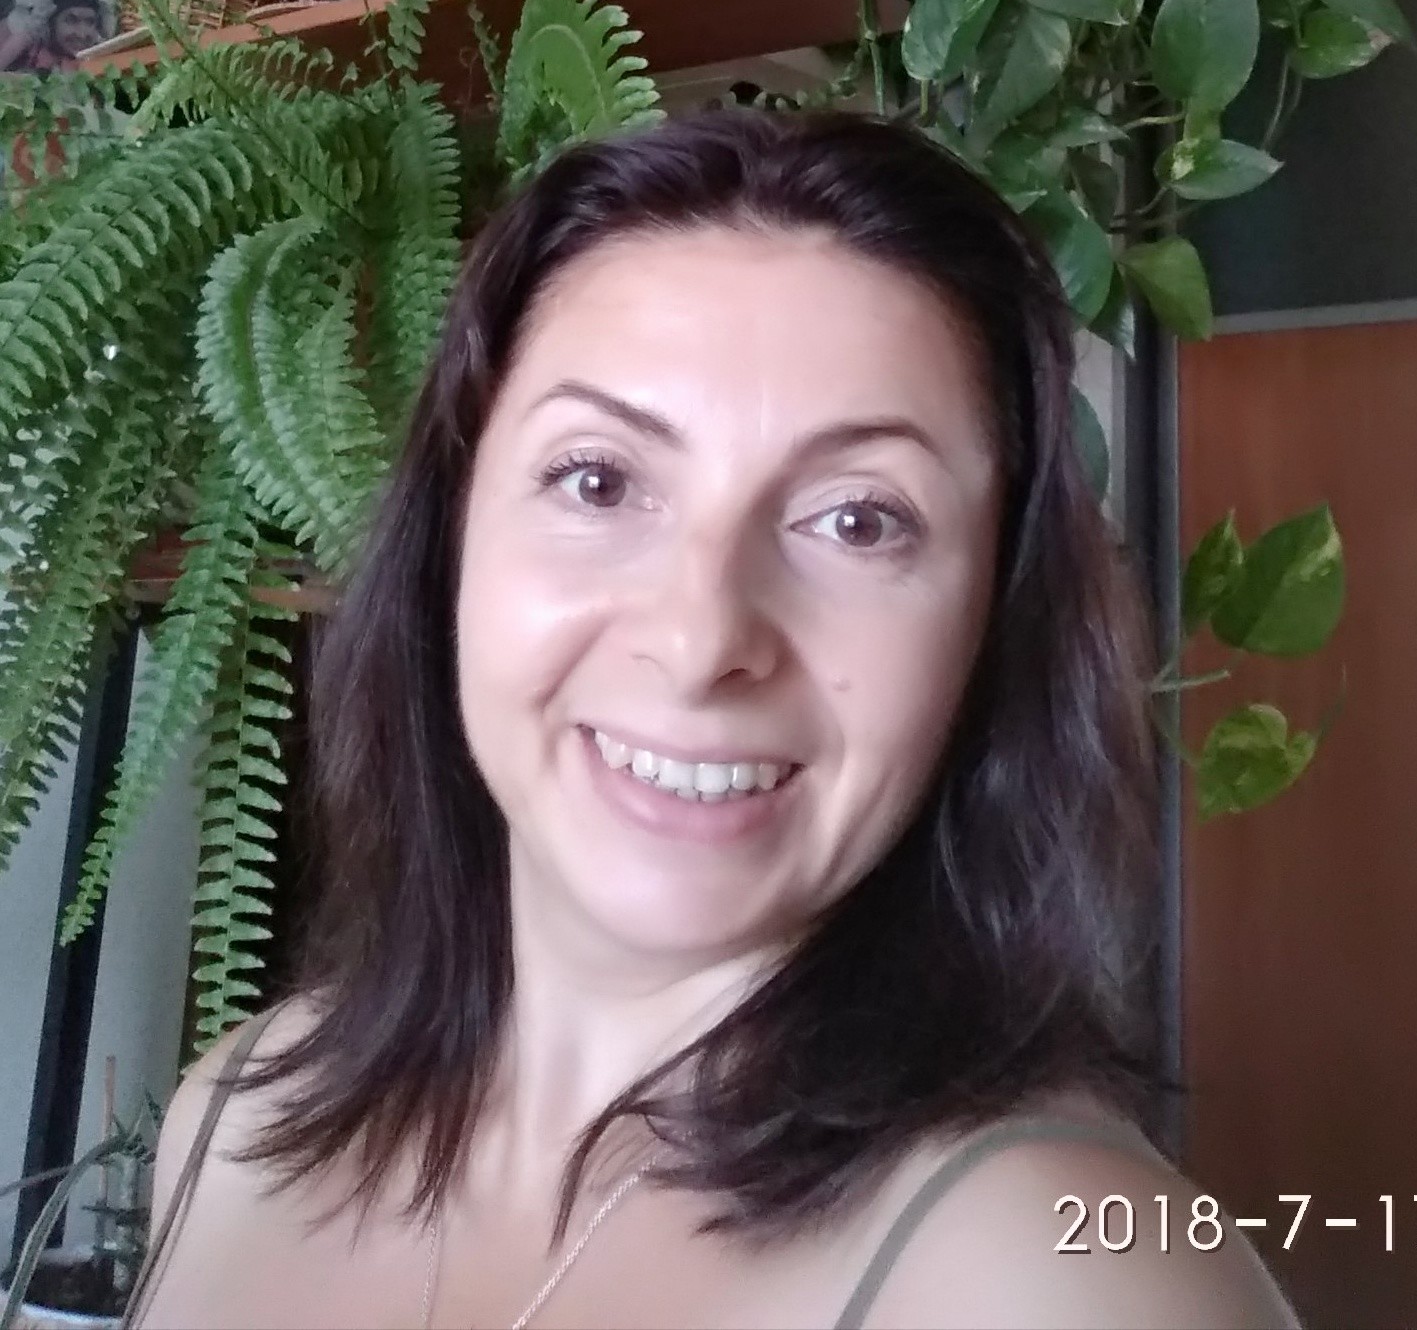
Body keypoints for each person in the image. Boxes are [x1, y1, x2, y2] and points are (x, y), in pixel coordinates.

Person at [126, 109, 1301, 1329]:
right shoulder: (234, 1124)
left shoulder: (1066, 1281)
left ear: (993, 626)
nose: (699, 642)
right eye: (598, 480)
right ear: (451, 540)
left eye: (858, 520)